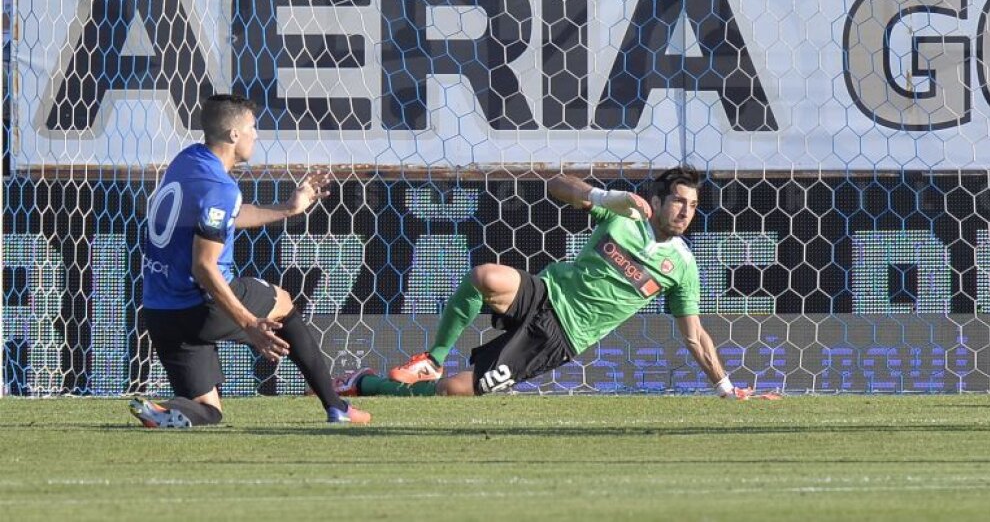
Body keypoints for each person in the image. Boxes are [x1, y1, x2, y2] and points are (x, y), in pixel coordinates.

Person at [338, 167, 776, 399]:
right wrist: (602, 197)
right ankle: (432, 357)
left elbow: (695, 336)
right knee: (484, 276)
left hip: (558, 338)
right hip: (546, 293)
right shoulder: (624, 216)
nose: (685, 211)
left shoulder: (681, 265)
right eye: (678, 201)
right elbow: (556, 184)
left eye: (693, 205)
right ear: (657, 201)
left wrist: (725, 387)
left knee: (453, 391)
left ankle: (368, 384)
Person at [130, 94, 370, 428]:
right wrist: (248, 323)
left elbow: (221, 218)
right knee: (283, 302)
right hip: (201, 304)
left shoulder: (186, 161)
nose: (256, 135)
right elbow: (204, 266)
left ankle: (163, 411)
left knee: (208, 411)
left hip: (161, 313)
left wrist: (287, 209)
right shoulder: (221, 188)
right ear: (233, 136)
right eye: (252, 128)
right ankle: (336, 406)